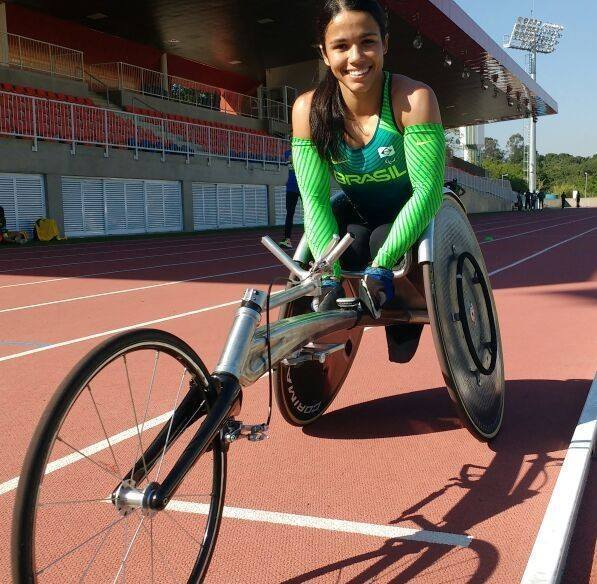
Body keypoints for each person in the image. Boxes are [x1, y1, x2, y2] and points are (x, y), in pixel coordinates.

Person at [291, 0, 445, 319]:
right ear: (324, 53)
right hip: (359, 215)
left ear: (385, 43)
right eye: (341, 46)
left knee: (378, 241)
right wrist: (328, 273)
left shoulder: (414, 99)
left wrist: (383, 265)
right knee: (353, 243)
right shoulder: (308, 111)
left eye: (367, 42)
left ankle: (404, 315)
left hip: (411, 215)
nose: (356, 58)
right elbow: (315, 201)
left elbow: (428, 193)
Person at [278, 146, 300, 248]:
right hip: (291, 187)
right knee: (289, 213)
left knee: (310, 213)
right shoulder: (287, 153)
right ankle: (287, 240)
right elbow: (293, 163)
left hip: (304, 187)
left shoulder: (304, 151)